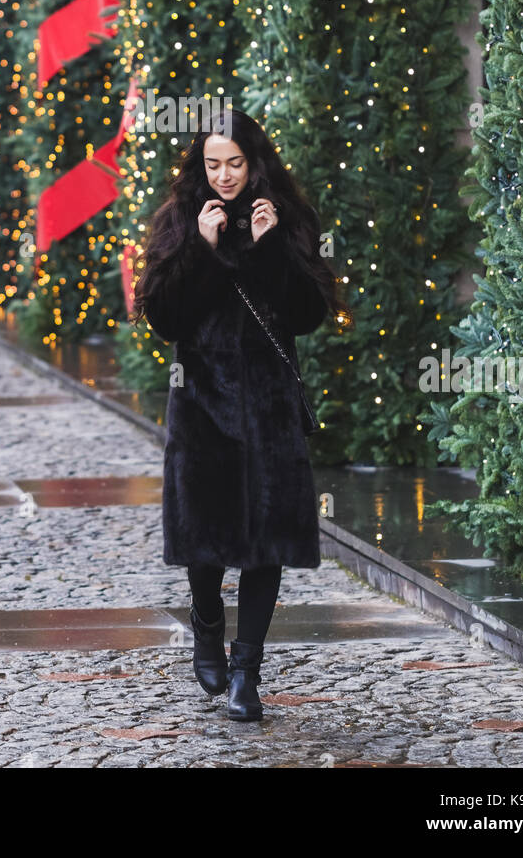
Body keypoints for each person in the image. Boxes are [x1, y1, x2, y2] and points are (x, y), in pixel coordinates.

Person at [130, 105, 353, 722]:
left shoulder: (284, 217)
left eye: (234, 163)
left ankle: (245, 674)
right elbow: (166, 318)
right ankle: (206, 623)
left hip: (270, 407)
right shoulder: (182, 219)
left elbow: (310, 314)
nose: (224, 175)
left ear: (254, 160)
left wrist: (272, 246)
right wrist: (201, 250)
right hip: (201, 405)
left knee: (265, 544)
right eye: (213, 164)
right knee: (205, 545)